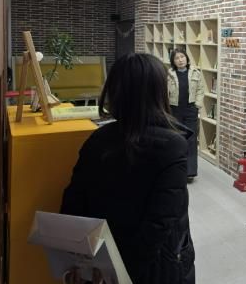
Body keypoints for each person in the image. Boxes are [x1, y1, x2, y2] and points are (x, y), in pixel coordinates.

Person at [61, 53, 195, 283]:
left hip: (100, 262)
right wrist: (121, 273)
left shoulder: (97, 139)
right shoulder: (172, 145)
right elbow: (160, 224)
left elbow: (73, 204)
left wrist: (92, 266)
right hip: (155, 268)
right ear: (158, 92)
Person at [167, 49, 204, 180]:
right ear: (173, 61)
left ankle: (190, 172)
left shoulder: (195, 72)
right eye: (177, 58)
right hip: (174, 110)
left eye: (182, 57)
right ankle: (176, 169)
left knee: (191, 140)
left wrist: (197, 105)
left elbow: (200, 89)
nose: (180, 60)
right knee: (176, 139)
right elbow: (165, 92)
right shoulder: (169, 74)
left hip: (190, 110)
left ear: (187, 58)